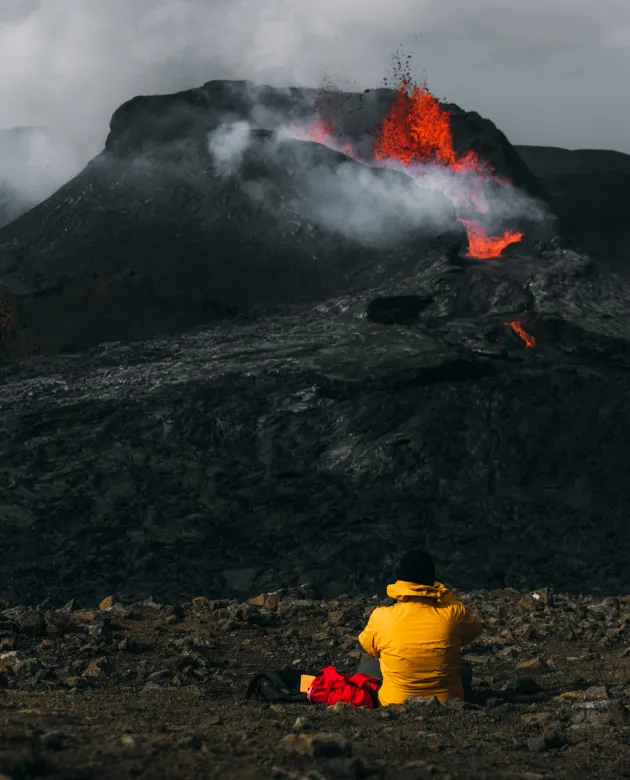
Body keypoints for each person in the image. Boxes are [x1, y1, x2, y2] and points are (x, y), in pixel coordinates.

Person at [357, 549, 483, 706]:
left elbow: (368, 647)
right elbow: (475, 629)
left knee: (368, 663)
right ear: (433, 581)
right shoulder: (454, 613)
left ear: (400, 580)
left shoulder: (382, 616)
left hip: (394, 703)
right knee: (463, 667)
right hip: (447, 701)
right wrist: (443, 592)